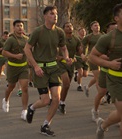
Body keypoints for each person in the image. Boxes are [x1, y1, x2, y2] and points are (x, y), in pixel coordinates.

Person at [24, 6, 72, 136]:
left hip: (54, 68)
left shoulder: (60, 32)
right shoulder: (38, 31)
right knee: (45, 100)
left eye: (56, 14)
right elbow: (27, 49)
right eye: (51, 14)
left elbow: (63, 48)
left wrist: (66, 58)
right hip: (40, 68)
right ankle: (32, 107)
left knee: (56, 99)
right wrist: (35, 66)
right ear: (45, 16)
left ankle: (45, 125)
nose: (55, 16)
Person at [89, 2, 122, 139]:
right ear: (116, 18)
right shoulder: (108, 38)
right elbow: (92, 56)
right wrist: (109, 63)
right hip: (118, 80)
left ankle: (103, 125)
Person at [1, 20, 29, 121]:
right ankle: (6, 100)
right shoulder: (10, 40)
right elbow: (4, 52)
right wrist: (15, 56)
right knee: (11, 87)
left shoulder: (26, 39)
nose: (20, 27)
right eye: (17, 26)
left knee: (24, 88)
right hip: (12, 67)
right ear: (14, 28)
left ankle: (24, 111)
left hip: (24, 67)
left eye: (21, 26)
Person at [91, 22, 117, 122]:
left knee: (119, 95)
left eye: (116, 29)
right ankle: (95, 111)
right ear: (107, 31)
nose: (115, 31)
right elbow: (97, 55)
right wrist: (110, 58)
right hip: (106, 71)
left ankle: (121, 116)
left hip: (119, 73)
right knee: (102, 92)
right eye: (112, 29)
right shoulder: (105, 40)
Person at [57, 22, 81, 114]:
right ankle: (61, 103)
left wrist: (82, 54)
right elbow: (55, 52)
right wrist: (62, 57)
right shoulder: (60, 39)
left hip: (71, 65)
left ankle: (61, 101)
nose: (70, 27)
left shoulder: (76, 39)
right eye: (67, 26)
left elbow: (79, 52)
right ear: (63, 29)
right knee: (66, 83)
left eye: (71, 26)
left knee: (67, 86)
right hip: (61, 64)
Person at [82, 21, 103, 97]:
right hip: (92, 58)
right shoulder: (89, 37)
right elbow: (81, 46)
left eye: (98, 25)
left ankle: (87, 86)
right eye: (95, 26)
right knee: (98, 78)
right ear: (91, 28)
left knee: (98, 76)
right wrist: (83, 54)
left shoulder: (103, 36)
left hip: (102, 58)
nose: (97, 27)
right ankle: (101, 97)